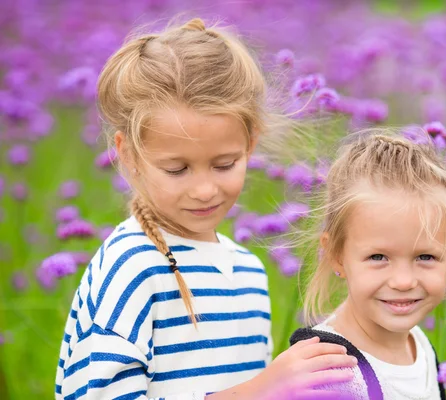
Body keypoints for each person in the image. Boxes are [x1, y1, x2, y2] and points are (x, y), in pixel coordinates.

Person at [56, 17, 356, 400]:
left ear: (250, 142)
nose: (204, 189)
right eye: (177, 169)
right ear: (127, 154)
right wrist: (261, 389)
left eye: (224, 164)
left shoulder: (247, 271)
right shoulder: (132, 268)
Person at [291, 129, 446, 400]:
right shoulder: (328, 368)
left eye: (425, 257)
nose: (403, 281)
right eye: (378, 257)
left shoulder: (419, 345)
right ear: (336, 254)